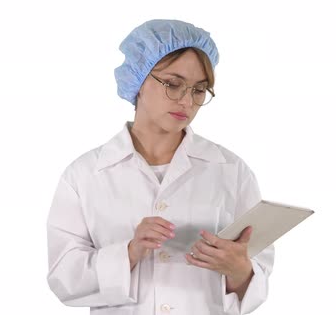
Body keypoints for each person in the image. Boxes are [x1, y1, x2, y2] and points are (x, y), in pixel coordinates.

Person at [46, 19, 275, 315]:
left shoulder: (231, 171)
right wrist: (129, 253)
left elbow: (258, 277)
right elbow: (63, 278)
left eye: (198, 90)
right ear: (138, 79)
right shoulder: (85, 175)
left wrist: (240, 270)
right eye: (173, 84)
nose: (186, 101)